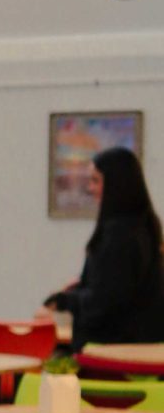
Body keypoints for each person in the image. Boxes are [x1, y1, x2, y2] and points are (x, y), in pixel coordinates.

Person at [45, 146, 164, 349]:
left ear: (116, 184)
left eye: (96, 180)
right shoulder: (146, 227)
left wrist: (67, 300)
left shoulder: (118, 236)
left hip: (113, 351)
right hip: (146, 347)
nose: (90, 188)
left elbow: (106, 300)